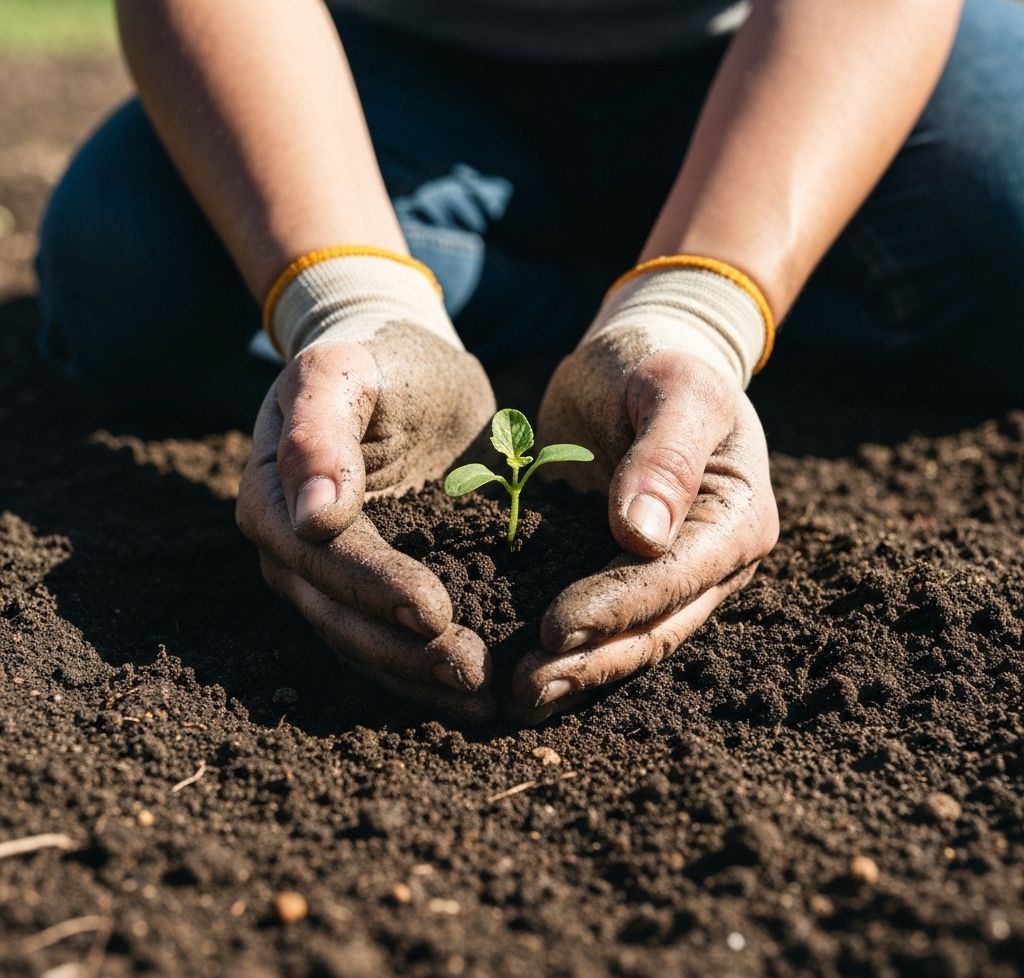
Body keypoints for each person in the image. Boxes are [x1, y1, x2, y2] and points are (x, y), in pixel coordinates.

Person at [36, 0, 1023, 723]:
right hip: (382, 76)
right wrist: (354, 304)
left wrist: (700, 311)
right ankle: (573, 295)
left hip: (770, 64)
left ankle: (645, 283)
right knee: (132, 269)